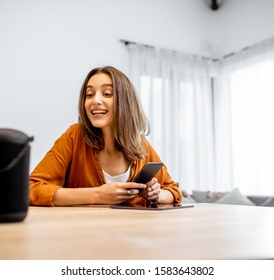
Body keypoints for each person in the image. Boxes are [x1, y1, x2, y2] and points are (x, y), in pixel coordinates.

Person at [29, 66, 181, 206]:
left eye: (107, 94)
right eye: (89, 94)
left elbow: (173, 191)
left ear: (125, 102)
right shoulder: (74, 136)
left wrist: (157, 194)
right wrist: (96, 195)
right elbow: (31, 189)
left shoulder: (141, 145)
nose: (95, 101)